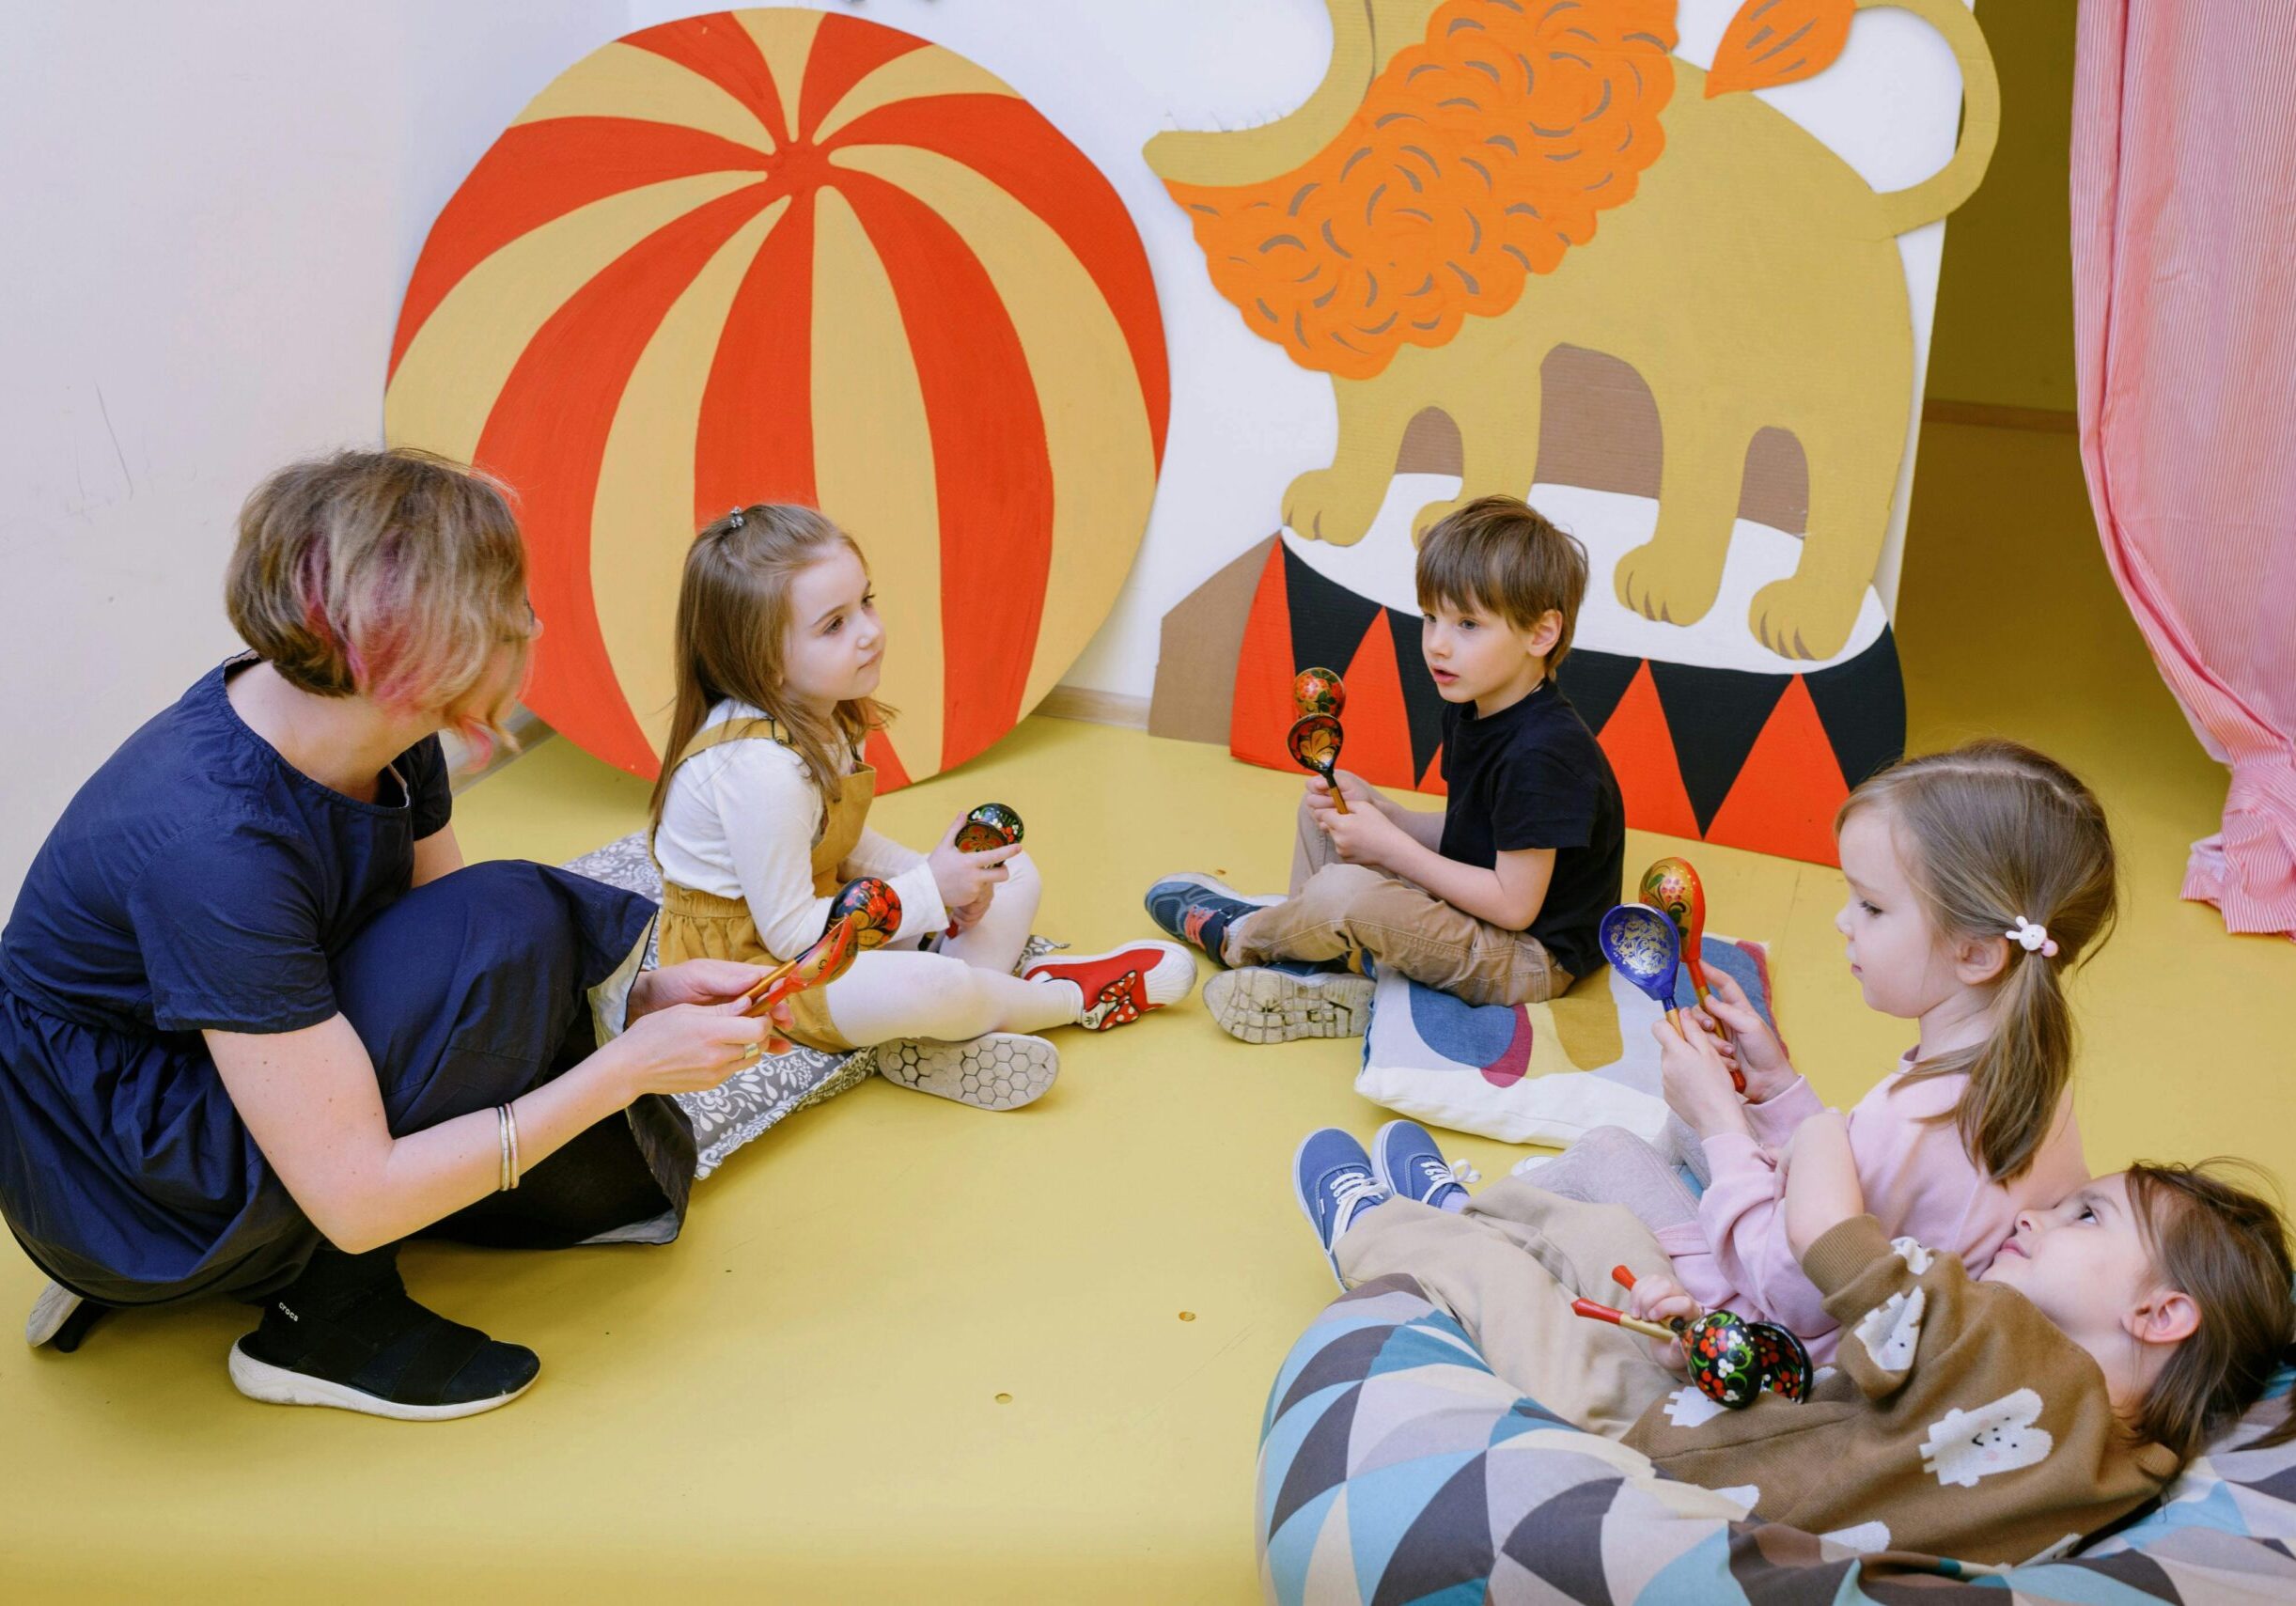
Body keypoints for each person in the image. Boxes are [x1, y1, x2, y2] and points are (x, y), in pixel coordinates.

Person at [0, 448, 791, 1420]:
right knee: (519, 948)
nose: (531, 625)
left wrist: (633, 1000)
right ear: (410, 646)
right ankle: (317, 1317)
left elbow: (454, 966)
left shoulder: (369, 721)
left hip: (203, 1064)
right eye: (507, 606)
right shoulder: (214, 844)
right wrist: (620, 1070)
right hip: (115, 1167)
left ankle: (255, 1221)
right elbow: (361, 1196)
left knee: (518, 943)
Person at [1291, 1115, 2295, 1566]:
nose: (2032, 1218)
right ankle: (1464, 1205)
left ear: (2161, 1314)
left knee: (1522, 1280)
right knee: (1618, 1249)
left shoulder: (1994, 1332)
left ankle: (1381, 1226)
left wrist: (1813, 1127)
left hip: (1646, 1449)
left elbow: (1826, 1231)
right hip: (1748, 1440)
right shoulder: (2138, 1470)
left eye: (2082, 1217)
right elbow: (1861, 1414)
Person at [1532, 741, 2108, 1363]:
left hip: (1784, 1339)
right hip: (1861, 1296)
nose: (1841, 920)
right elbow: (1852, 1188)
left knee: (1607, 1151)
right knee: (1688, 1120)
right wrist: (1776, 1087)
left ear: (1973, 953)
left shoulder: (1913, 1116)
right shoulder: (2029, 1072)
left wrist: (1722, 1124)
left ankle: (1460, 1219)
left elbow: (1791, 1291)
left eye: (1871, 905)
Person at [648, 505, 1195, 1106]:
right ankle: (1065, 997)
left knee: (1014, 877)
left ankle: (948, 1033)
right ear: (761, 660)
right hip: (763, 970)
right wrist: (929, 891)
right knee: (940, 986)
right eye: (833, 625)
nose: (869, 631)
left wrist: (942, 884)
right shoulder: (759, 770)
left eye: (867, 601)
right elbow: (791, 938)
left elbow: (840, 841)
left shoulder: (817, 715)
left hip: (833, 920)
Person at [1145, 495, 1624, 1043]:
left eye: (1468, 624)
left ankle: (1243, 937)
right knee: (1329, 810)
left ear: (1541, 634)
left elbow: (1514, 905)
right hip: (1486, 919)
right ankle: (1310, 959)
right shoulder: (1477, 707)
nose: (1438, 644)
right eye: (1431, 617)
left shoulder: (1544, 753)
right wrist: (1387, 816)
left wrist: (1390, 848)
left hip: (1528, 960)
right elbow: (1477, 835)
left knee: (1346, 892)